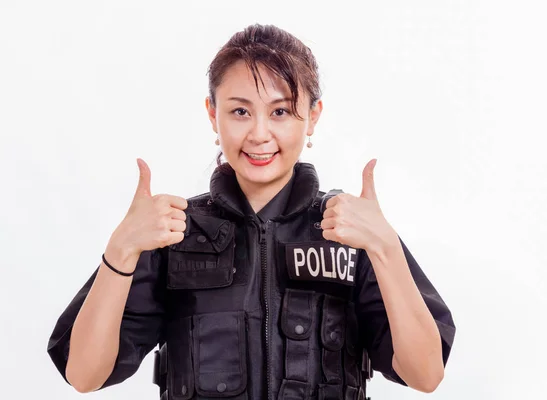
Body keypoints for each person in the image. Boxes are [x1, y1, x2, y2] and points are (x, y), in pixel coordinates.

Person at [47, 24, 456, 400]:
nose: (260, 134)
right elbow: (85, 375)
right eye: (240, 111)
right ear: (213, 113)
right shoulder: (171, 231)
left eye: (281, 111)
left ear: (313, 116)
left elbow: (425, 375)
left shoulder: (352, 230)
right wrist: (120, 250)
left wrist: (384, 247)